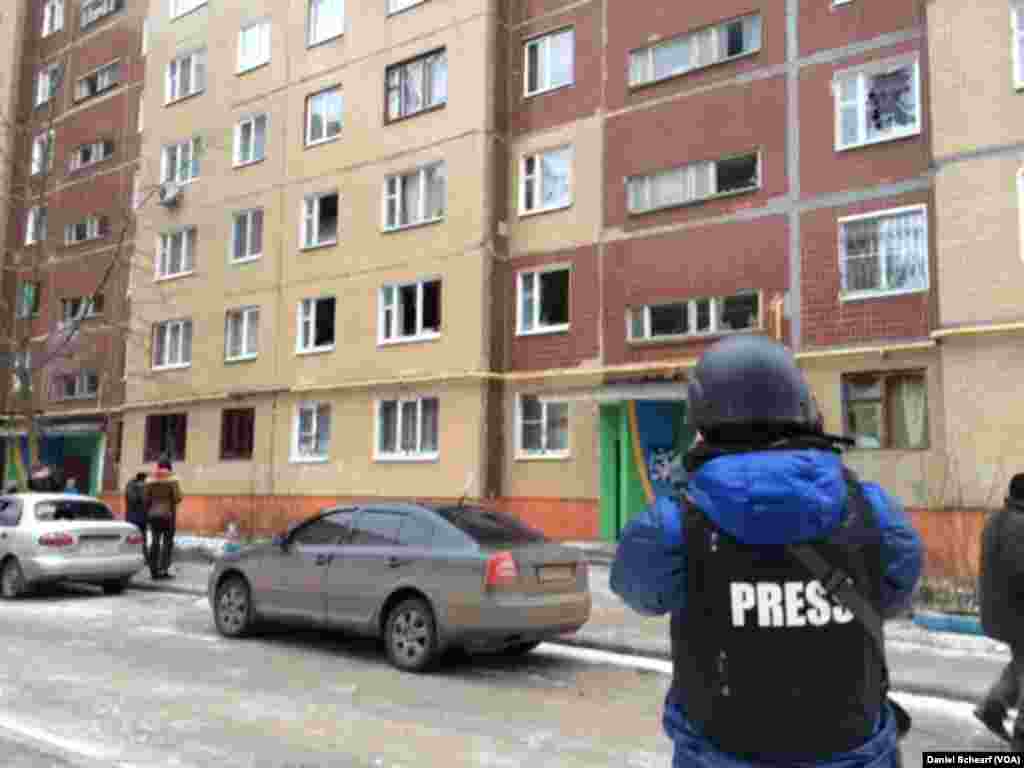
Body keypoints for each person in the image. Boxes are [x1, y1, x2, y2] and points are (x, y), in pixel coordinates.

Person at [610, 334, 923, 767]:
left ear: (702, 419)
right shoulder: (873, 509)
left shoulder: (672, 524)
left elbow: (638, 593)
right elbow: (894, 595)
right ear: (805, 409)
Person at [975, 473, 1024, 746]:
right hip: (1018, 613)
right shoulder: (1021, 526)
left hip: (997, 611)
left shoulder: (995, 520)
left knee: (1021, 662)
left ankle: (992, 707)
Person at [143, 455, 183, 580]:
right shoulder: (172, 479)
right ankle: (164, 569)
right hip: (168, 515)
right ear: (169, 466)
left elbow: (145, 498)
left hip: (153, 515)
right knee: (167, 542)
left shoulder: (150, 479)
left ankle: (153, 569)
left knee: (155, 542)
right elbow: (178, 497)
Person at [125, 472, 149, 565]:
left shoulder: (129, 486)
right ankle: (144, 558)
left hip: (130, 517)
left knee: (131, 539)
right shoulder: (142, 487)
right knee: (142, 539)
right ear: (142, 479)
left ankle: (129, 558)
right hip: (141, 517)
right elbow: (144, 501)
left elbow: (131, 500)